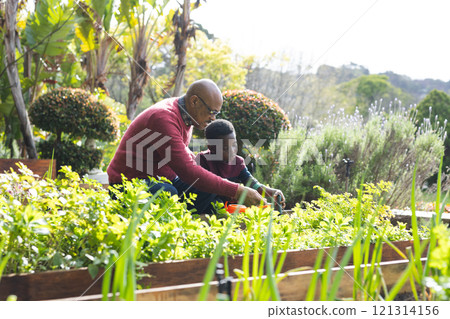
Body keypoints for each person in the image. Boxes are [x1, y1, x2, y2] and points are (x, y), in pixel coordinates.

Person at [107, 79, 265, 213]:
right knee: (167, 193)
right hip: (127, 184)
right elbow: (188, 171)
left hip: (162, 179)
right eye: (211, 112)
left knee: (209, 191)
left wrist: (257, 189)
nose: (213, 118)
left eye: (216, 113)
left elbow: (181, 154)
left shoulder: (186, 116)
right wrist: (238, 190)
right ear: (195, 101)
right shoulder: (164, 118)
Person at [196, 119, 286, 209]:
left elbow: (252, 184)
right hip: (206, 209)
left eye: (234, 145)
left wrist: (272, 192)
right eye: (225, 148)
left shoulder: (238, 163)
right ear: (212, 148)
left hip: (230, 210)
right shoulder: (202, 160)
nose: (232, 151)